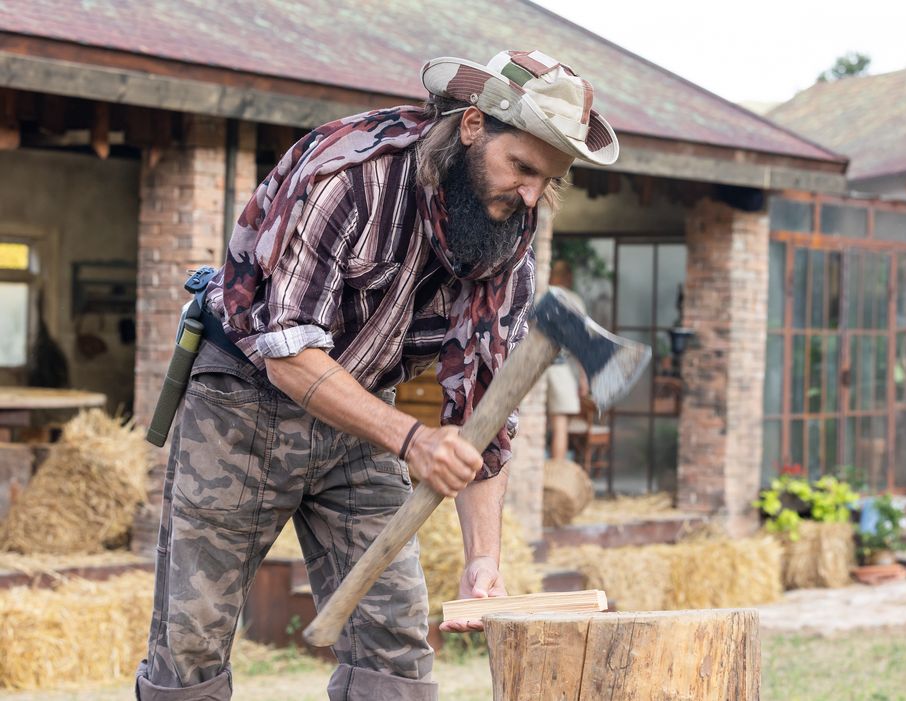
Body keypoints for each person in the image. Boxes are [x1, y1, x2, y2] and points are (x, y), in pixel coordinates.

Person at [135, 50, 618, 701]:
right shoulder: (350, 178)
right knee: (191, 637)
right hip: (243, 404)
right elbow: (287, 351)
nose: (531, 194)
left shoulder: (508, 239)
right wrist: (413, 439)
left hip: (363, 415)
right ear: (473, 125)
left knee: (394, 639)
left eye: (548, 179)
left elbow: (486, 414)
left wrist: (482, 559)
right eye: (522, 168)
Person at [545, 259, 587, 461]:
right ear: (568, 277)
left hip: (530, 367)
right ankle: (557, 473)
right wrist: (584, 378)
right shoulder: (573, 300)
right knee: (560, 424)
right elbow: (580, 342)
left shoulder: (541, 295)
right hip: (558, 366)